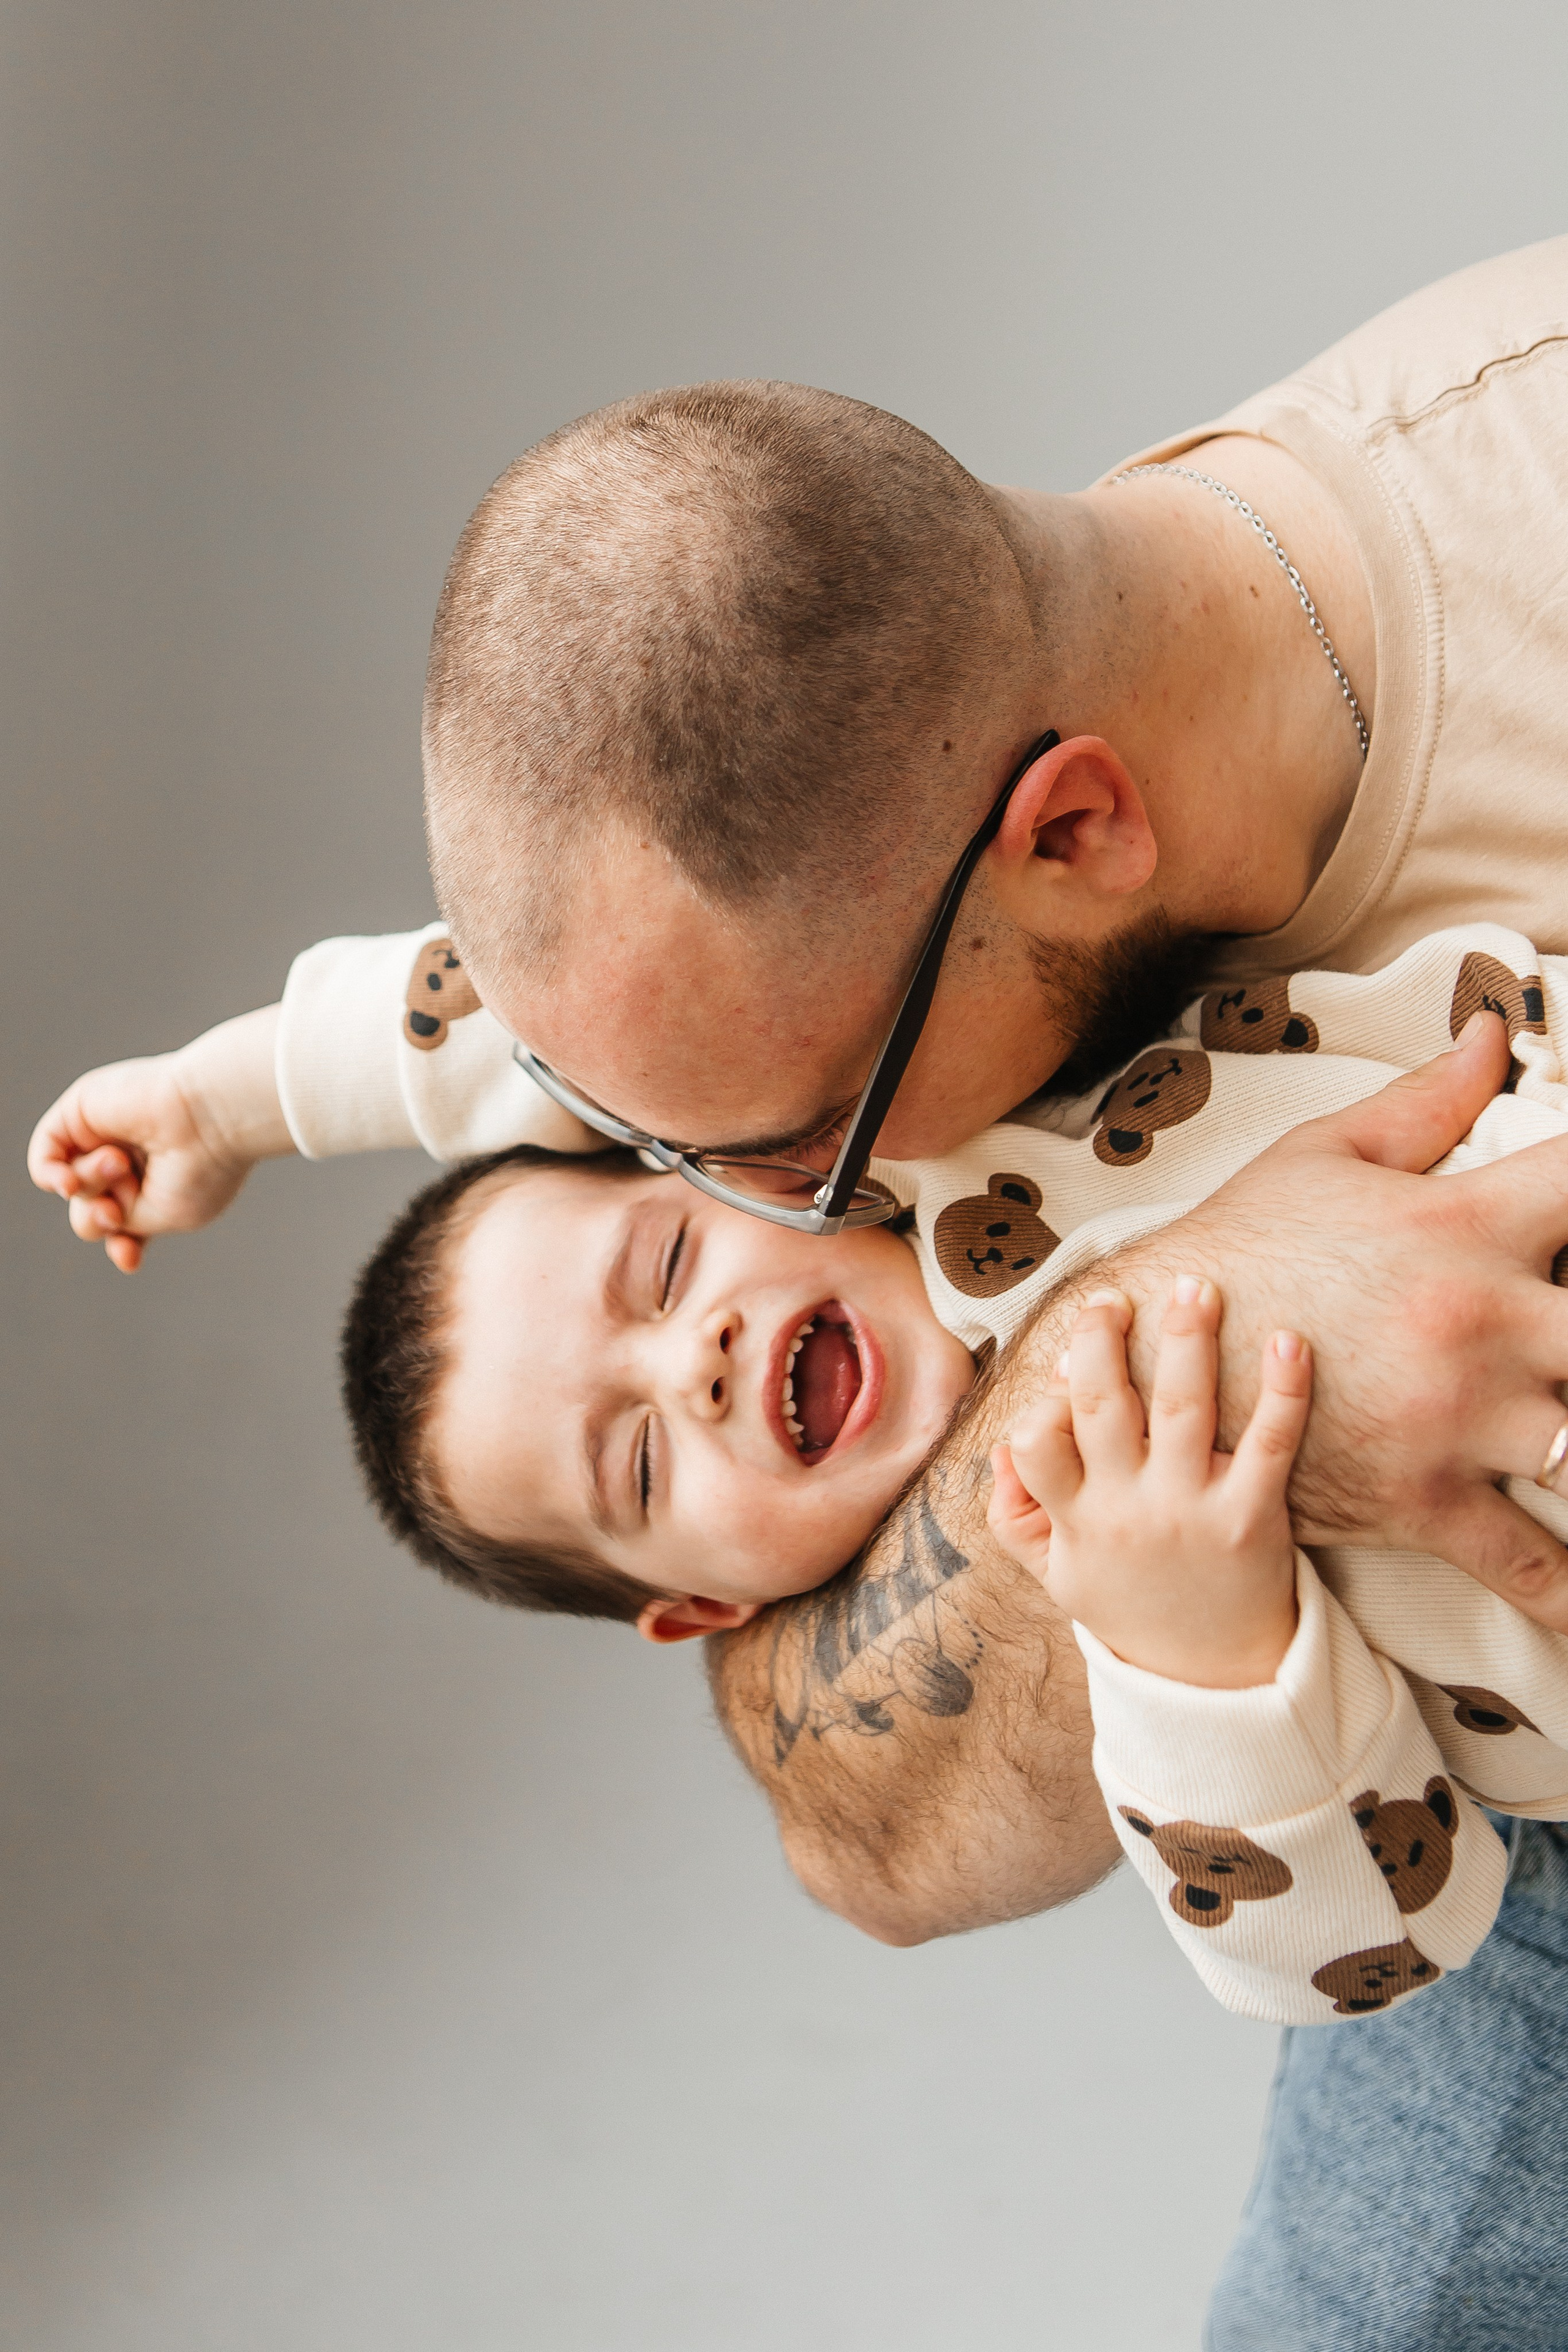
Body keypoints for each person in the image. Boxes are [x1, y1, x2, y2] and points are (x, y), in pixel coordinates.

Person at [29, 236, 1568, 2342]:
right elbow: (500, 1041)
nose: (723, 1301)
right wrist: (1202, 1591)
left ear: (1079, 831)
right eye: (639, 1449)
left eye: (764, 1166)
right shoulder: (875, 1012)